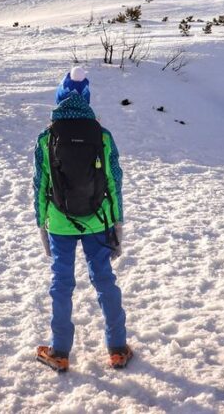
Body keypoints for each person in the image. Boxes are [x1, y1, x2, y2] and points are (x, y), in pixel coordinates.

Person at [33, 66, 132, 372]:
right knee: (104, 281)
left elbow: (40, 184)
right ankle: (117, 348)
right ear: (86, 100)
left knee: (61, 285)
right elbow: (114, 180)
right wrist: (117, 222)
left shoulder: (47, 138)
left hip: (60, 224)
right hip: (98, 221)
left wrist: (42, 223)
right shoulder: (101, 135)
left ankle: (60, 352)